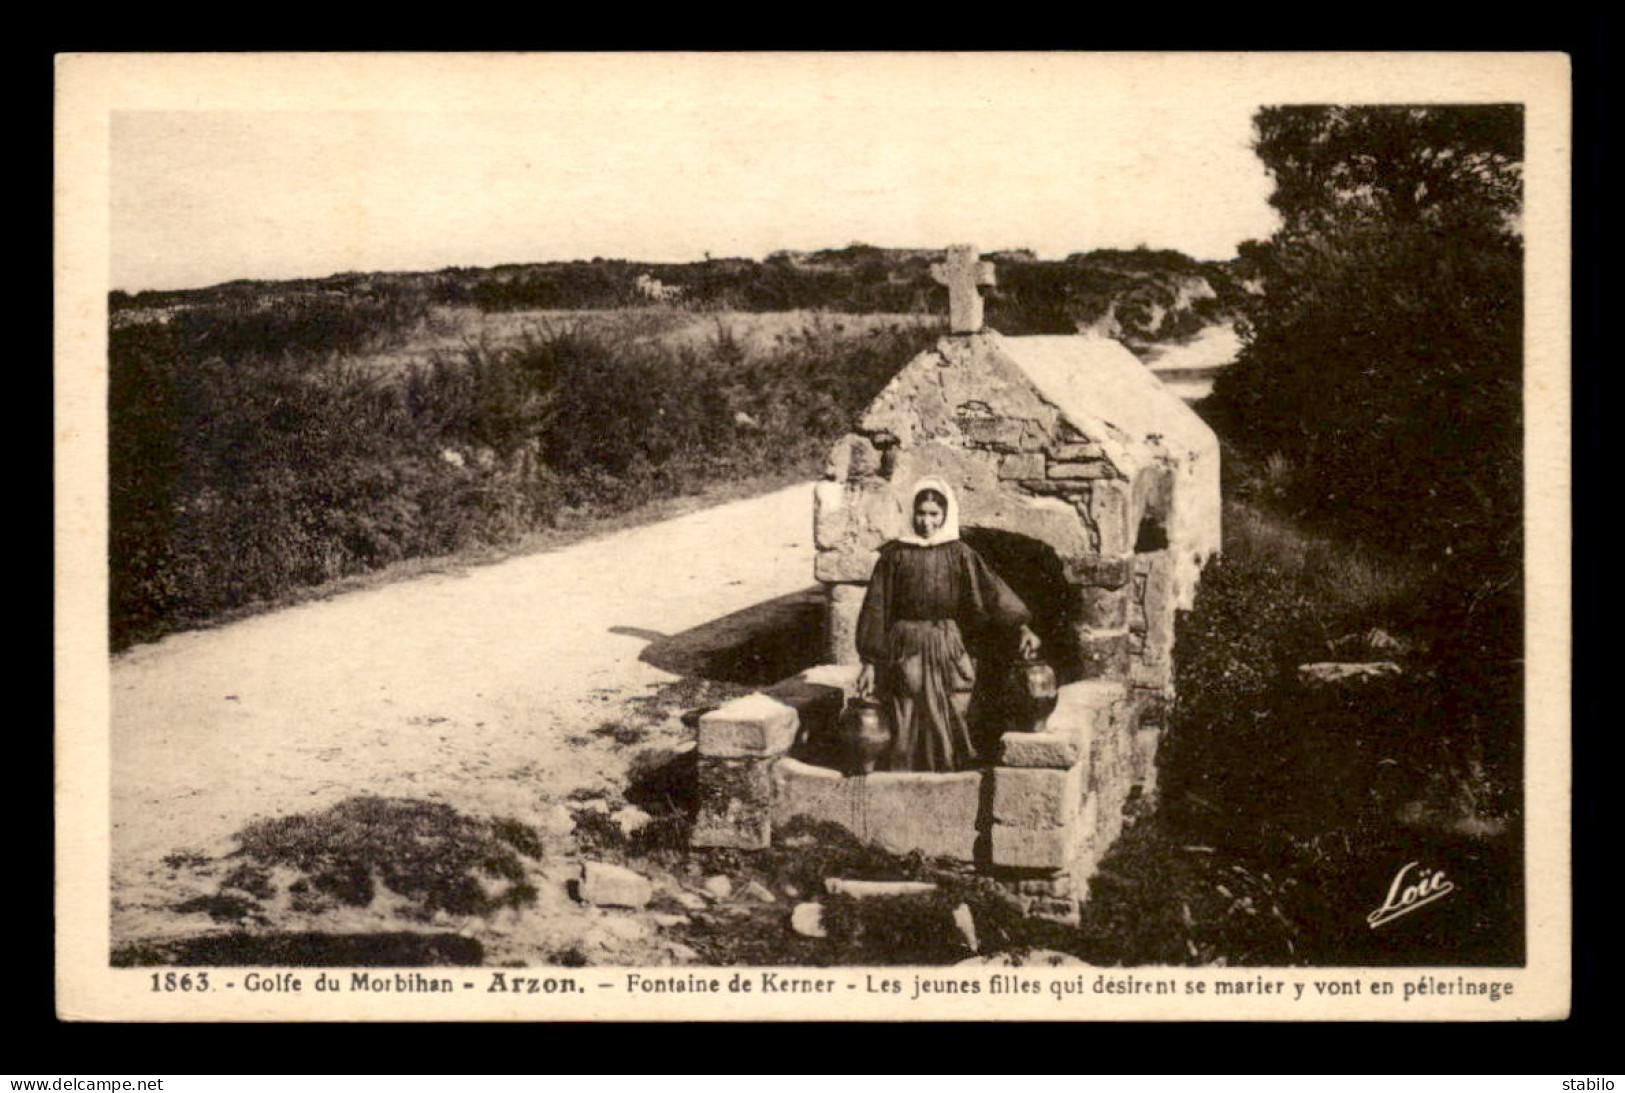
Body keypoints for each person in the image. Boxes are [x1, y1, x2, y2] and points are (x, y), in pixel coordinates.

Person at [854, 477, 1040, 773]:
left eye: (933, 514)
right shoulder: (894, 557)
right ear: (912, 514)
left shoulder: (960, 554)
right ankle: (906, 779)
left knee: (955, 706)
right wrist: (869, 662)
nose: (926, 521)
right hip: (907, 645)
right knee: (908, 709)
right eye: (921, 513)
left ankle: (953, 775)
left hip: (947, 643)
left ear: (945, 515)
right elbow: (876, 607)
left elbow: (991, 591)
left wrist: (1022, 626)